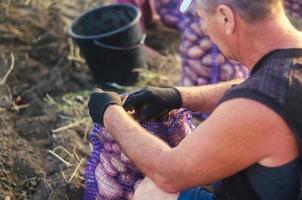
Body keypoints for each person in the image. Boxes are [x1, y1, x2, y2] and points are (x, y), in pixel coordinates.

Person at [88, 0, 302, 199]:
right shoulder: (290, 59)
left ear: (226, 18)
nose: (205, 29)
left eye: (201, 18)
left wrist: (110, 113)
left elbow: (168, 173)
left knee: (152, 192)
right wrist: (178, 96)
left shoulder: (259, 107)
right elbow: (251, 88)